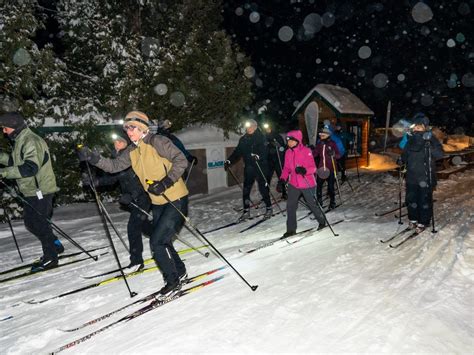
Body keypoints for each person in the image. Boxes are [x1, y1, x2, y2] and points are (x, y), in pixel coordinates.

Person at [79, 111, 189, 296]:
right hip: (158, 202)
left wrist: (165, 182)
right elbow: (114, 166)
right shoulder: (132, 150)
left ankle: (173, 282)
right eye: (127, 128)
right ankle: (180, 271)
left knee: (157, 242)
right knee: (162, 239)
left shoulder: (158, 142)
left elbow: (181, 160)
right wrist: (93, 158)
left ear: (143, 128)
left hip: (175, 198)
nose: (129, 131)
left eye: (133, 127)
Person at [0, 112, 63, 271]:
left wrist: (4, 173)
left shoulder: (31, 141)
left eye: (5, 128)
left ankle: (51, 258)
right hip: (31, 191)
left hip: (41, 189)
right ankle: (54, 245)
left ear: (14, 127)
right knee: (31, 222)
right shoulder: (20, 140)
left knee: (39, 223)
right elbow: (15, 162)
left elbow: (30, 167)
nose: (4, 131)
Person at [82, 135, 151, 271]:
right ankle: (161, 237)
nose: (116, 143)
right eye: (115, 141)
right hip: (131, 199)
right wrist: (95, 182)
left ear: (126, 142)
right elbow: (113, 177)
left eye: (120, 141)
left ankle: (137, 262)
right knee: (143, 226)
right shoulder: (118, 158)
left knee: (133, 228)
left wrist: (133, 195)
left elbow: (145, 178)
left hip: (143, 196)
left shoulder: (133, 155)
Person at [400, 114, 443, 233]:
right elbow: (405, 154)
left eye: (419, 127)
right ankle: (413, 219)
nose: (416, 129)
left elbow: (440, 154)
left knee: (424, 200)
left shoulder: (430, 138)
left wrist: (430, 146)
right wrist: (401, 160)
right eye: (415, 126)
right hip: (411, 176)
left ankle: (423, 221)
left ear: (425, 127)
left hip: (425, 175)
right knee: (411, 199)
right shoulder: (410, 139)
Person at [279, 130, 325, 238]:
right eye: (288, 141)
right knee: (290, 206)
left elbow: (313, 168)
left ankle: (322, 221)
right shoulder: (288, 152)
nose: (289, 143)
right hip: (294, 184)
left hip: (307, 182)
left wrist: (304, 170)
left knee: (312, 204)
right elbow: (286, 168)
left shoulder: (306, 151)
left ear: (297, 140)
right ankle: (290, 230)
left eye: (291, 140)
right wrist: (282, 179)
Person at [225, 119, 272, 221]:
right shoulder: (243, 139)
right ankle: (246, 212)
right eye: (247, 127)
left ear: (255, 127)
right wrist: (229, 161)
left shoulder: (261, 137)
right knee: (246, 189)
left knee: (263, 189)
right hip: (249, 167)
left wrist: (258, 156)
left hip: (261, 166)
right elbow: (237, 152)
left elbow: (265, 151)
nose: (248, 129)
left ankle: (269, 208)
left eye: (250, 127)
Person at [312, 127, 341, 210]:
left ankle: (332, 202)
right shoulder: (319, 144)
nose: (321, 136)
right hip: (322, 168)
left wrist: (333, 154)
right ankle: (319, 201)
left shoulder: (332, 144)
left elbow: (338, 155)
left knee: (331, 187)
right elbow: (315, 154)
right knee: (318, 186)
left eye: (323, 134)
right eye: (320, 134)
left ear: (328, 135)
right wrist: (309, 151)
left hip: (331, 168)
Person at [263, 122, 287, 200]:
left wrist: (276, 144)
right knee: (267, 178)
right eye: (266, 128)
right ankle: (265, 194)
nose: (267, 130)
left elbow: (282, 147)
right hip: (269, 161)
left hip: (277, 160)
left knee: (281, 176)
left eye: (268, 128)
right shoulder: (264, 136)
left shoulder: (277, 136)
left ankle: (284, 193)